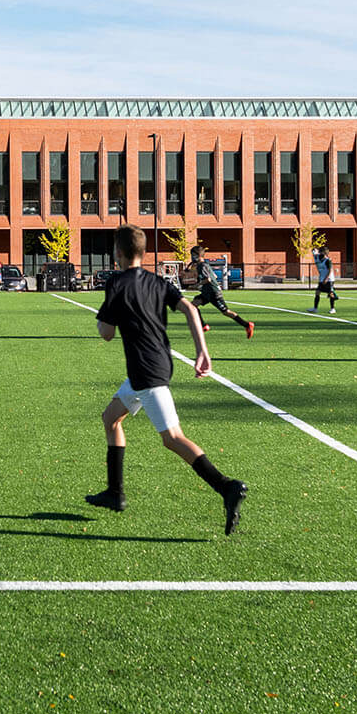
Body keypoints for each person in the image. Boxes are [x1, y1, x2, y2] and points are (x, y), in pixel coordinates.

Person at [85, 225, 247, 534]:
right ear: (143, 253)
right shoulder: (158, 281)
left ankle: (226, 486)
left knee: (172, 438)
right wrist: (202, 350)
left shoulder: (116, 283)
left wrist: (103, 317)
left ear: (117, 253)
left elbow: (106, 334)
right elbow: (188, 307)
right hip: (152, 366)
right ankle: (115, 493)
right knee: (110, 418)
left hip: (146, 372)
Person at [187, 244, 254, 339]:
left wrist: (196, 285)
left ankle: (247, 325)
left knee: (226, 312)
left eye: (193, 255)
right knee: (193, 305)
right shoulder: (203, 265)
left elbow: (209, 279)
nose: (192, 257)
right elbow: (215, 276)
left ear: (198, 255)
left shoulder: (202, 266)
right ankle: (203, 326)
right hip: (207, 293)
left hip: (214, 293)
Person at [311, 246, 339, 314]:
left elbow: (330, 270)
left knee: (331, 293)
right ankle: (315, 308)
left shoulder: (327, 260)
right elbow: (314, 251)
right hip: (321, 278)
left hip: (329, 279)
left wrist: (326, 278)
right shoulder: (318, 257)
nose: (319, 253)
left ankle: (332, 308)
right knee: (317, 292)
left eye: (321, 251)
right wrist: (314, 250)